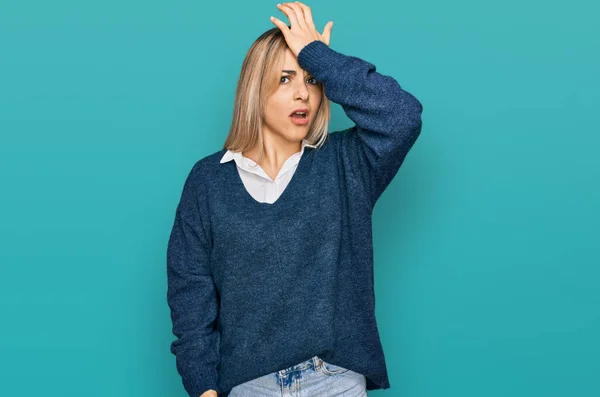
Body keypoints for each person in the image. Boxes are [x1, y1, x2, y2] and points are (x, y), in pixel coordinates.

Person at [166, 2, 424, 397]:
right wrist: (203, 387)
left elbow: (401, 116)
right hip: (249, 386)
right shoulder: (208, 181)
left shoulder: (346, 164)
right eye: (286, 79)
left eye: (312, 79)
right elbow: (190, 293)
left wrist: (319, 56)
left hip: (334, 381)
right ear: (256, 88)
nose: (303, 93)